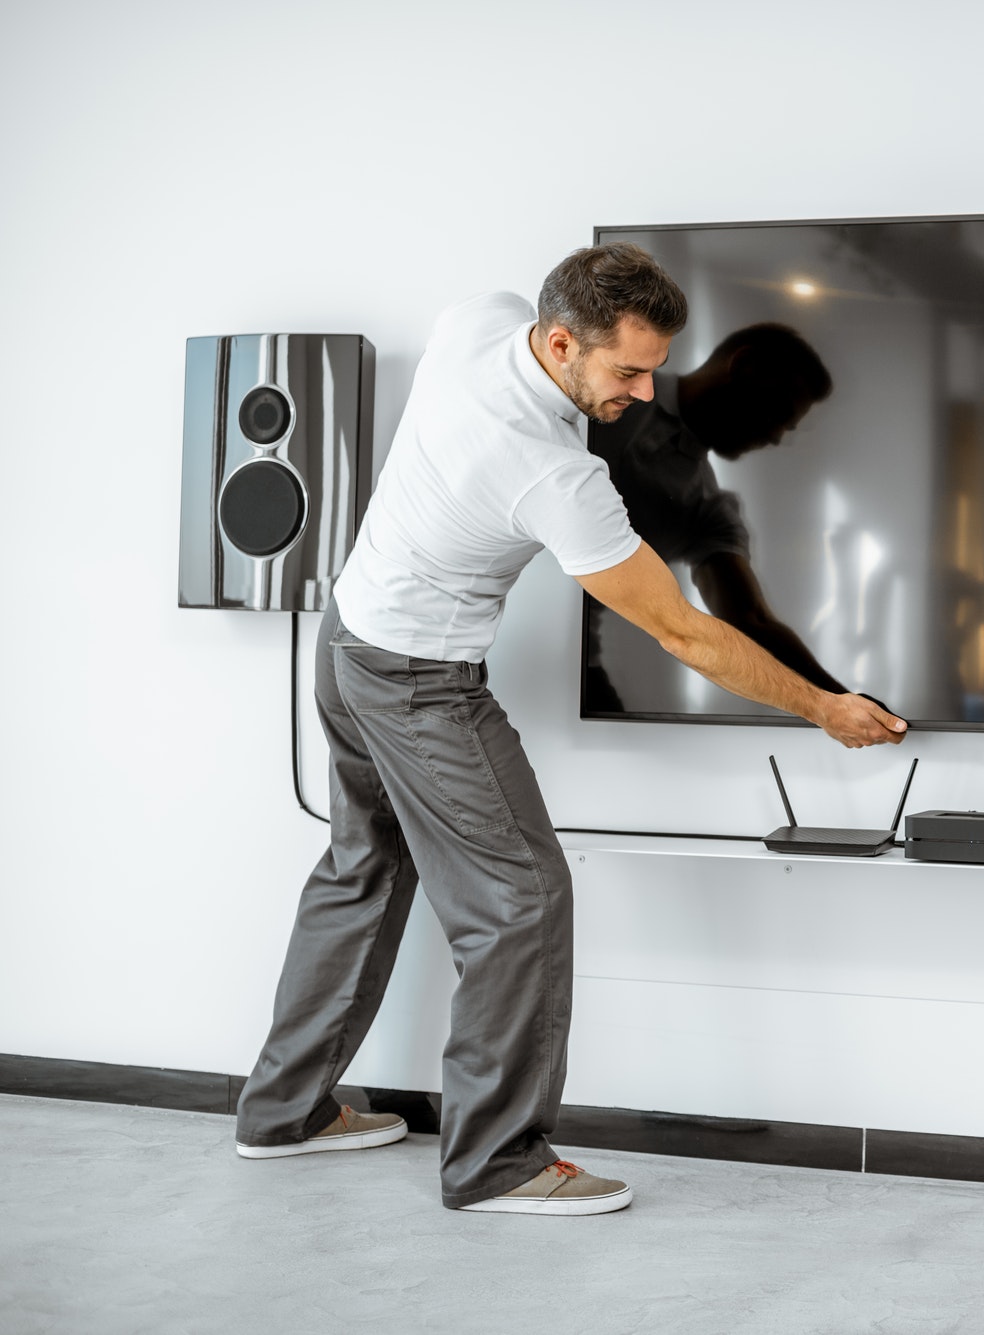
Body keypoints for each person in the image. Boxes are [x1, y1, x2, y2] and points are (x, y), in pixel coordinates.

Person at [233, 244, 905, 1216]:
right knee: (523, 899)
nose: (641, 389)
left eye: (655, 368)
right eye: (625, 370)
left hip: (349, 632)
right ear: (557, 341)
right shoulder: (549, 472)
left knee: (364, 864)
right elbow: (684, 630)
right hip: (417, 675)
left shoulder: (479, 320)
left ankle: (283, 1111)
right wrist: (822, 705)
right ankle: (498, 1163)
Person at [585, 324, 851, 701]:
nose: (776, 437)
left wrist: (838, 701)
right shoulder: (609, 389)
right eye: (779, 411)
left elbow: (751, 620)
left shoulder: (708, 511)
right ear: (744, 366)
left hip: (574, 675)